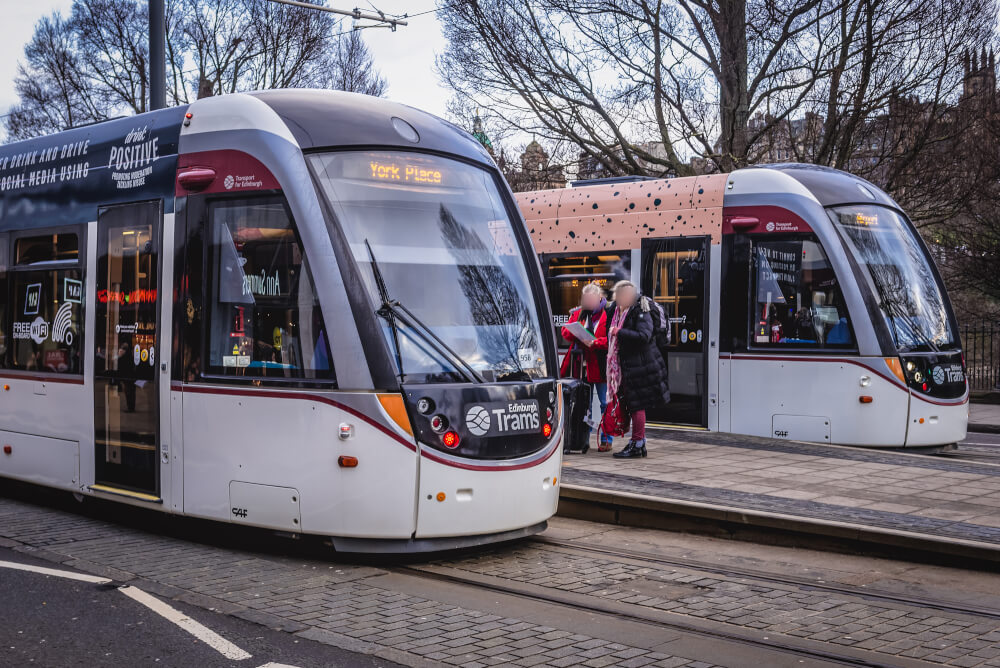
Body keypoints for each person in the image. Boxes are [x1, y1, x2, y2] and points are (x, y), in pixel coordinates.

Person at [605, 280, 670, 459]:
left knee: (637, 405)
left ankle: (638, 443)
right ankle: (638, 443)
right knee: (633, 404)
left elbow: (644, 336)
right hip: (627, 365)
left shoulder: (640, 311)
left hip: (640, 366)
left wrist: (619, 332)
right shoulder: (617, 311)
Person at [560, 282, 613, 451]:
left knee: (605, 403)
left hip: (601, 365)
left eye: (591, 300)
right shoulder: (579, 313)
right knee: (584, 404)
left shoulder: (609, 313)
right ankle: (583, 438)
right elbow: (565, 332)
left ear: (599, 298)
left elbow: (612, 340)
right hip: (581, 366)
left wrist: (595, 342)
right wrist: (577, 333)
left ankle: (606, 439)